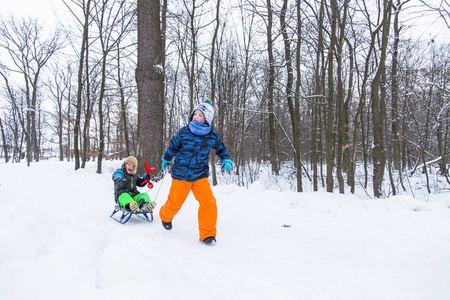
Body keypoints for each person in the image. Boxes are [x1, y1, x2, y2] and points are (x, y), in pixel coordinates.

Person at [159, 99, 233, 245]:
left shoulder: (212, 135)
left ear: (207, 119)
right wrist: (166, 158)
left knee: (209, 201)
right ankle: (165, 216)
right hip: (181, 175)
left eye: (200, 115)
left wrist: (226, 159)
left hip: (199, 175)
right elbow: (173, 147)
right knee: (175, 203)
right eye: (195, 114)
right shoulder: (184, 132)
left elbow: (221, 149)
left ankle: (207, 234)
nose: (196, 116)